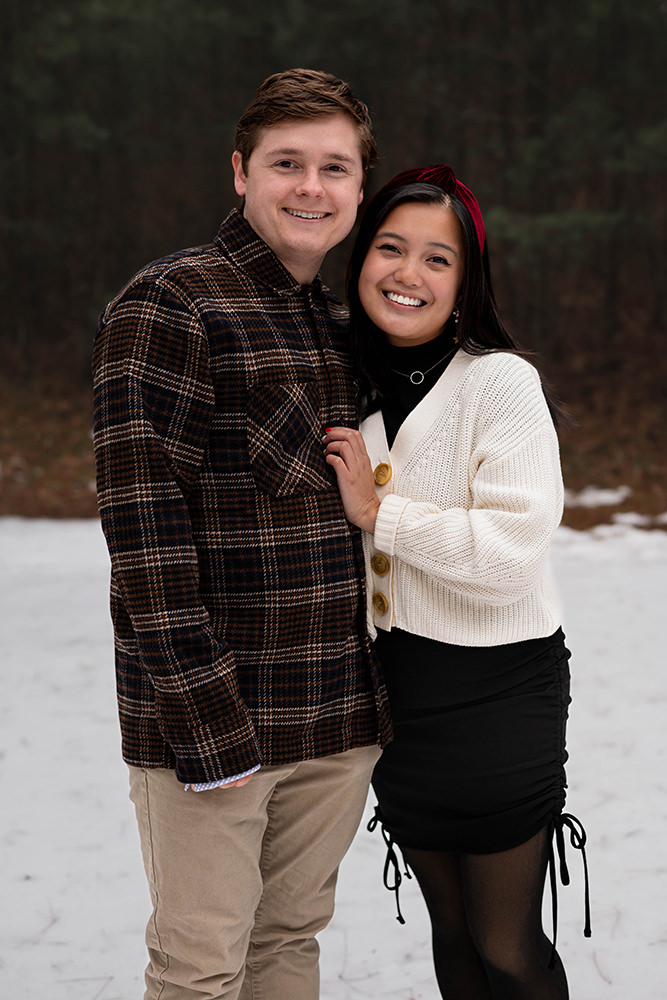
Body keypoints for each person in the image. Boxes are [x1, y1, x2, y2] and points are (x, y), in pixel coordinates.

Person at [92, 69, 392, 1000]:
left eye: (334, 167)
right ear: (240, 173)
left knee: (289, 942)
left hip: (336, 713)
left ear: (357, 188)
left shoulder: (347, 327)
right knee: (200, 968)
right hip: (215, 723)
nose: (311, 186)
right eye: (286, 164)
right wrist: (207, 721)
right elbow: (143, 529)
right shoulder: (171, 303)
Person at [324, 165, 591, 999]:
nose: (408, 274)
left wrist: (380, 514)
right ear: (360, 256)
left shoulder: (499, 382)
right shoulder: (344, 384)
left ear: (466, 282)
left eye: (437, 260)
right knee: (450, 939)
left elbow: (511, 549)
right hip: (399, 703)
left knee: (505, 943)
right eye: (390, 248)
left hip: (498, 694)